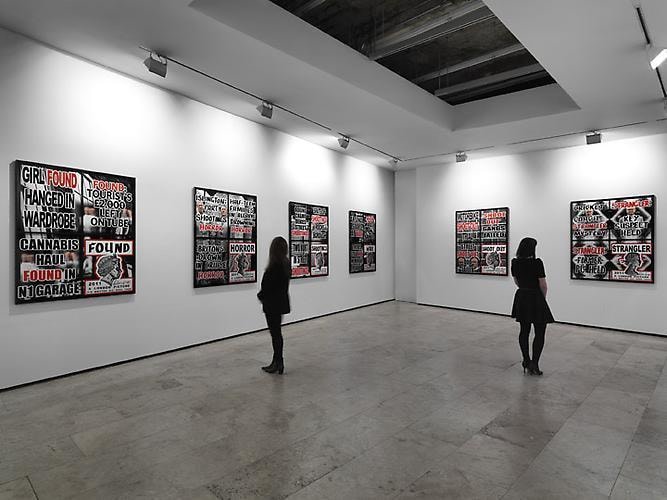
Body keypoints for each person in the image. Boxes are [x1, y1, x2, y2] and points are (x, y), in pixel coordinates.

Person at [511, 237, 554, 376]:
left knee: (524, 330)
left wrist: (525, 288)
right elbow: (543, 284)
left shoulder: (515, 262)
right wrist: (542, 299)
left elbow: (517, 282)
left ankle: (526, 360)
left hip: (522, 296)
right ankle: (534, 364)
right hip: (535, 297)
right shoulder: (537, 263)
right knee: (540, 331)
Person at [257, 236, 291, 374]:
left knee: (275, 333)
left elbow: (268, 287)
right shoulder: (286, 264)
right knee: (277, 333)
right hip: (281, 303)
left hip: (272, 305)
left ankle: (278, 361)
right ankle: (277, 361)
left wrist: (260, 295)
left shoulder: (274, 267)